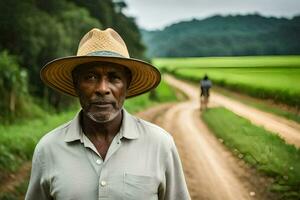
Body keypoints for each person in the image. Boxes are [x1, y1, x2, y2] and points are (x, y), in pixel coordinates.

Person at [25, 28, 190, 200]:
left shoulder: (160, 145)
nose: (102, 89)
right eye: (90, 77)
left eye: (114, 77)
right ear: (76, 84)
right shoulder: (48, 149)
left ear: (127, 85)